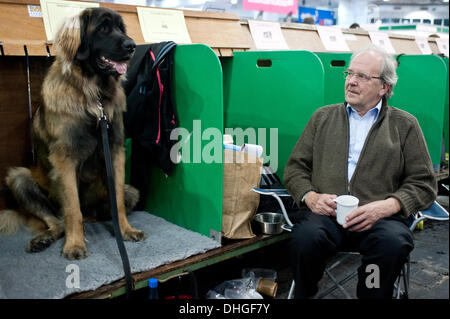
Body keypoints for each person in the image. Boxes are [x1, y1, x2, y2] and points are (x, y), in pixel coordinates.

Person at [283, 45, 437, 299]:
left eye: (362, 77)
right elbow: (296, 169)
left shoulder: (404, 125)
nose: (351, 82)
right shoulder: (322, 118)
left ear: (384, 87)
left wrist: (388, 206)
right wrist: (310, 197)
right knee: (305, 239)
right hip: (327, 217)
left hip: (380, 221)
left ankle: (371, 292)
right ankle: (306, 292)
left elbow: (424, 184)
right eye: (349, 74)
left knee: (392, 245)